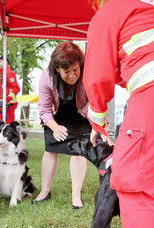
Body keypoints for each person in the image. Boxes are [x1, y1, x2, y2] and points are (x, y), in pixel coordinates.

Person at [83, 0, 154, 228]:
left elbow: (97, 74)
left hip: (152, 96)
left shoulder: (112, 10)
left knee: (133, 183)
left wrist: (98, 121)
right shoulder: (149, 14)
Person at [32, 42, 91, 209]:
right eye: (67, 72)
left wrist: (100, 126)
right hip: (55, 116)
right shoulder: (47, 77)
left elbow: (95, 102)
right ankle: (45, 191)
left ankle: (76, 195)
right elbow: (44, 108)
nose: (73, 76)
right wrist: (54, 127)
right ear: (57, 68)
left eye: (76, 70)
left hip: (79, 115)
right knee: (50, 150)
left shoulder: (88, 73)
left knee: (78, 152)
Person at [0, 56, 20, 124]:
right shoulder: (3, 74)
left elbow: (16, 88)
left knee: (7, 127)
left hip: (8, 105)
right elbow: (3, 92)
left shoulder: (8, 73)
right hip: (3, 105)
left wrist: (7, 99)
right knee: (1, 126)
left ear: (5, 62)